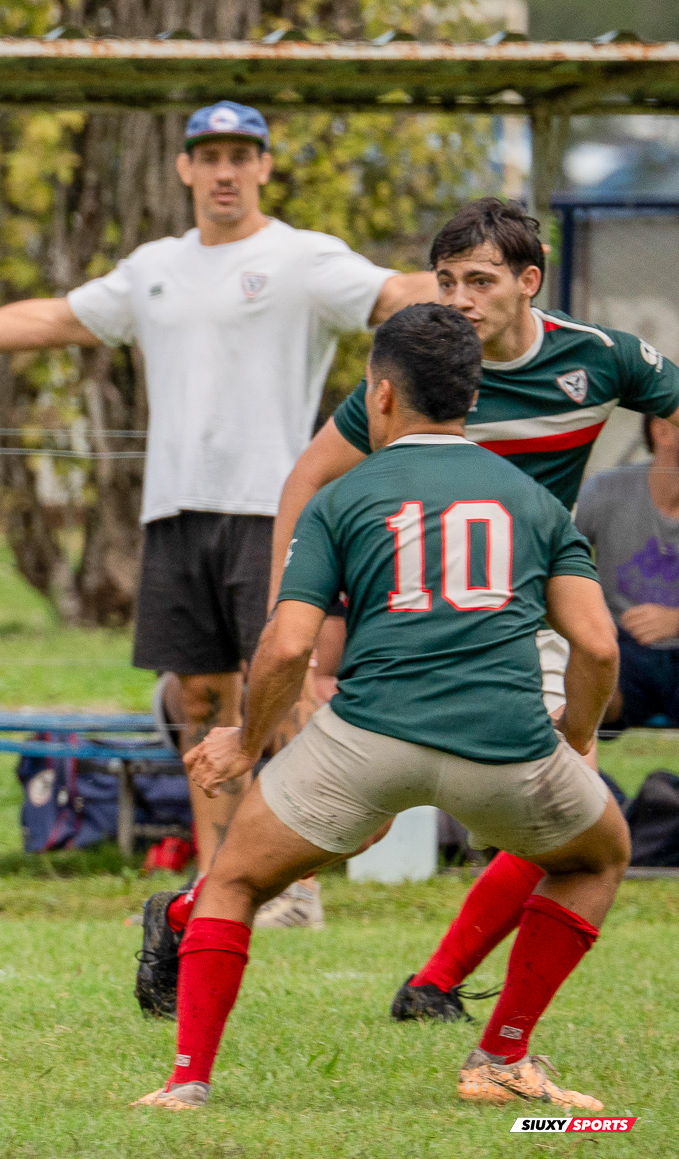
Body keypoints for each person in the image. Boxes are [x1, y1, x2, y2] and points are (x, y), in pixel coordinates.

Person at [0, 100, 435, 925]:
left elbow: (396, 294)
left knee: (279, 691)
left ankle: (295, 884)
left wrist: (477, 289)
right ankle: (218, 886)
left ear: (263, 166)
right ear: (184, 168)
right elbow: (54, 318)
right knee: (197, 699)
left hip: (270, 509)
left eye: (240, 155)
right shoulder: (153, 267)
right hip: (174, 515)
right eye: (209, 155)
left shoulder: (302, 259)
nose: (225, 170)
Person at [135, 304, 627, 1112]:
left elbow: (289, 647)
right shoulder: (537, 504)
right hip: (504, 747)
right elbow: (598, 648)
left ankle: (187, 1081)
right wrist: (573, 740)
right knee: (598, 856)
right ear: (472, 398)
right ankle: (501, 1057)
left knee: (231, 883)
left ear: (382, 395)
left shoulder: (341, 496)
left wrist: (246, 744)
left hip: (366, 740)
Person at [262, 198, 679, 1024]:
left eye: (480, 281)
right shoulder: (423, 373)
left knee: (579, 819)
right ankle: (188, 914)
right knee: (331, 831)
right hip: (413, 625)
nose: (458, 299)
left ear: (530, 282)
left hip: (526, 619)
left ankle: (444, 992)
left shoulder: (598, 360)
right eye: (447, 280)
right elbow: (306, 479)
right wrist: (300, 614)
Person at [578, 416, 679, 729]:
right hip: (620, 649)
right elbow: (554, 563)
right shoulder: (605, 491)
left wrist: (675, 620)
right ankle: (588, 776)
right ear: (661, 429)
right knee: (583, 665)